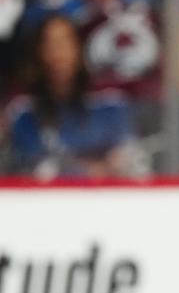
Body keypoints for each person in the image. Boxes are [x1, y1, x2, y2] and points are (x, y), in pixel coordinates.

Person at [5, 13, 143, 179]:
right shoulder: (23, 110)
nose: (59, 53)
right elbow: (35, 167)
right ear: (38, 53)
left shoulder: (110, 101)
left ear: (78, 47)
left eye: (64, 42)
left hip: (109, 199)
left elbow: (130, 158)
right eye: (50, 44)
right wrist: (89, 169)